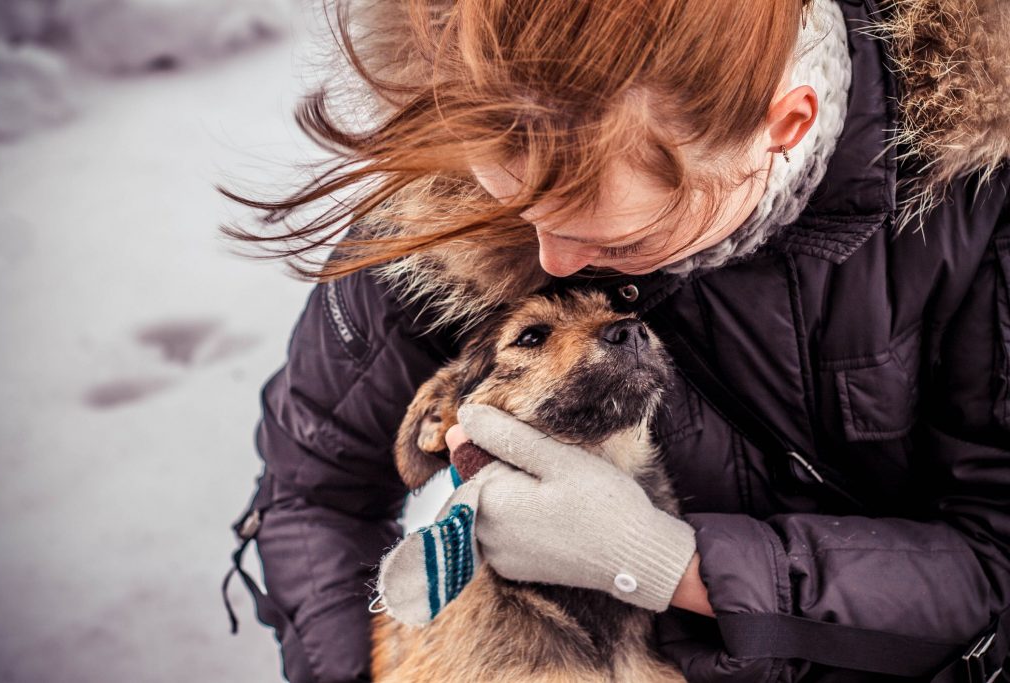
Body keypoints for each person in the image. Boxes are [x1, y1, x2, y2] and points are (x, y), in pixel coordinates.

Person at [220, 0, 1010, 681]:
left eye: (619, 238)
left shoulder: (973, 204)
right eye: (519, 209)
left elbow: (997, 562)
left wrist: (676, 563)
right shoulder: (452, 198)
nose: (551, 264)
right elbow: (310, 490)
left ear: (787, 124)